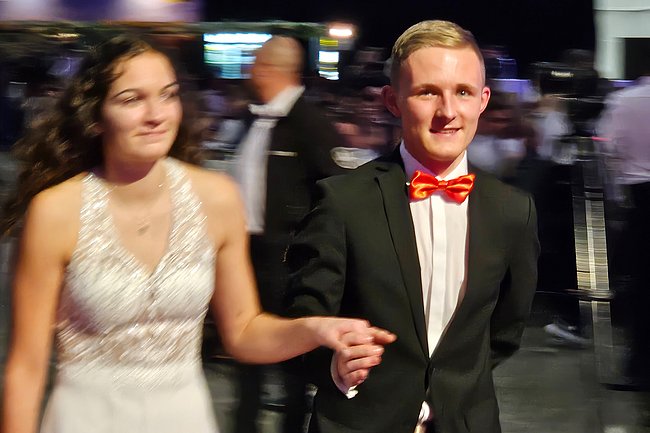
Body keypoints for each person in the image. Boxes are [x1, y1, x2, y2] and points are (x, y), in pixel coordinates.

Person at [0, 35, 394, 433]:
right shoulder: (55, 212)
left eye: (167, 95)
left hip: (184, 417)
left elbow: (243, 332)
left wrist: (315, 329)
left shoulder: (216, 198)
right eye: (132, 100)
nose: (156, 114)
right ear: (96, 115)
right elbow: (26, 368)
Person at [286, 20, 540, 433]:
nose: (448, 112)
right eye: (427, 92)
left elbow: (504, 331)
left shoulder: (513, 210)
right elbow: (302, 321)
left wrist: (452, 386)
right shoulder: (343, 201)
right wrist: (333, 363)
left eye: (463, 92)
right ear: (393, 101)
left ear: (483, 100)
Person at [205, 35, 348, 433]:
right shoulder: (253, 119)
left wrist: (312, 249)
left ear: (271, 69)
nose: (250, 71)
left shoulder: (311, 124)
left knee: (291, 371)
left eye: (255, 63)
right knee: (245, 356)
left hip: (289, 266)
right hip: (249, 260)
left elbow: (337, 192)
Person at [597, 70, 650, 390]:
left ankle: (640, 367)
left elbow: (609, 148)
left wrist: (616, 195)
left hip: (640, 200)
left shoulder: (624, 100)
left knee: (642, 286)